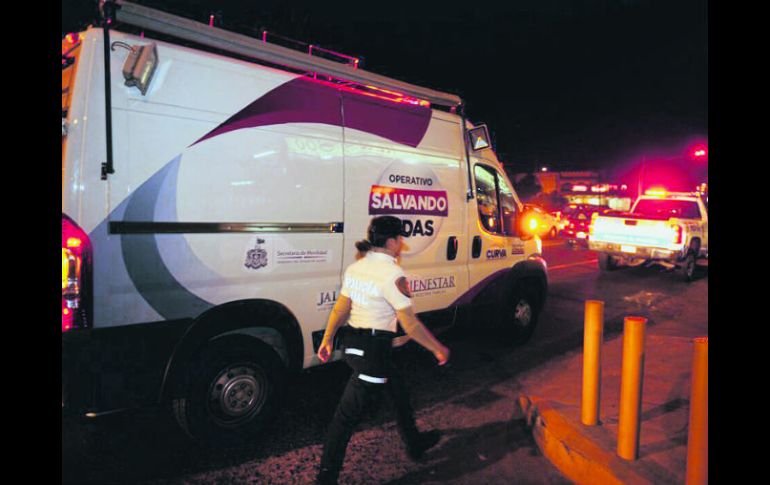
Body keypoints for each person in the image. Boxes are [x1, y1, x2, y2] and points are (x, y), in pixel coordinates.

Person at [316, 215, 451, 485]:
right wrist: (438, 348)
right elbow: (410, 324)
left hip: (354, 346)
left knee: (398, 389)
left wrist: (328, 338)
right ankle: (326, 478)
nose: (401, 243)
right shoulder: (392, 274)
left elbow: (342, 307)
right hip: (372, 353)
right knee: (343, 420)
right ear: (391, 241)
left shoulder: (357, 267)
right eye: (400, 238)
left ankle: (414, 442)